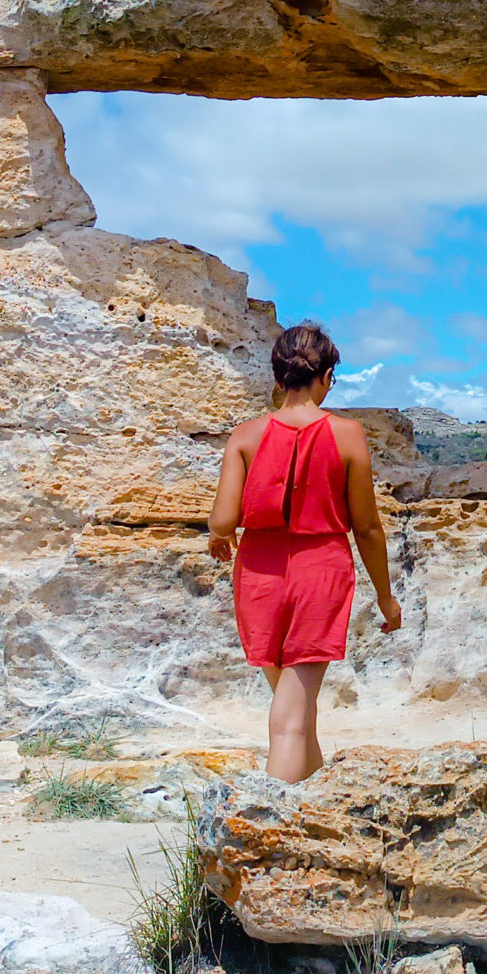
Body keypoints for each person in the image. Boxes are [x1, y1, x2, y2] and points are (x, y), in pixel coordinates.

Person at [207, 322, 402, 782]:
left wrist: (219, 536)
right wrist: (385, 596)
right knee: (292, 720)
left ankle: (312, 809)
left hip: (258, 573)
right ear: (327, 377)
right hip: (321, 572)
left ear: (278, 379)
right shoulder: (348, 434)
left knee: (296, 707)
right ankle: (268, 837)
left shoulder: (245, 436)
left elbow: (221, 519)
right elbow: (368, 527)